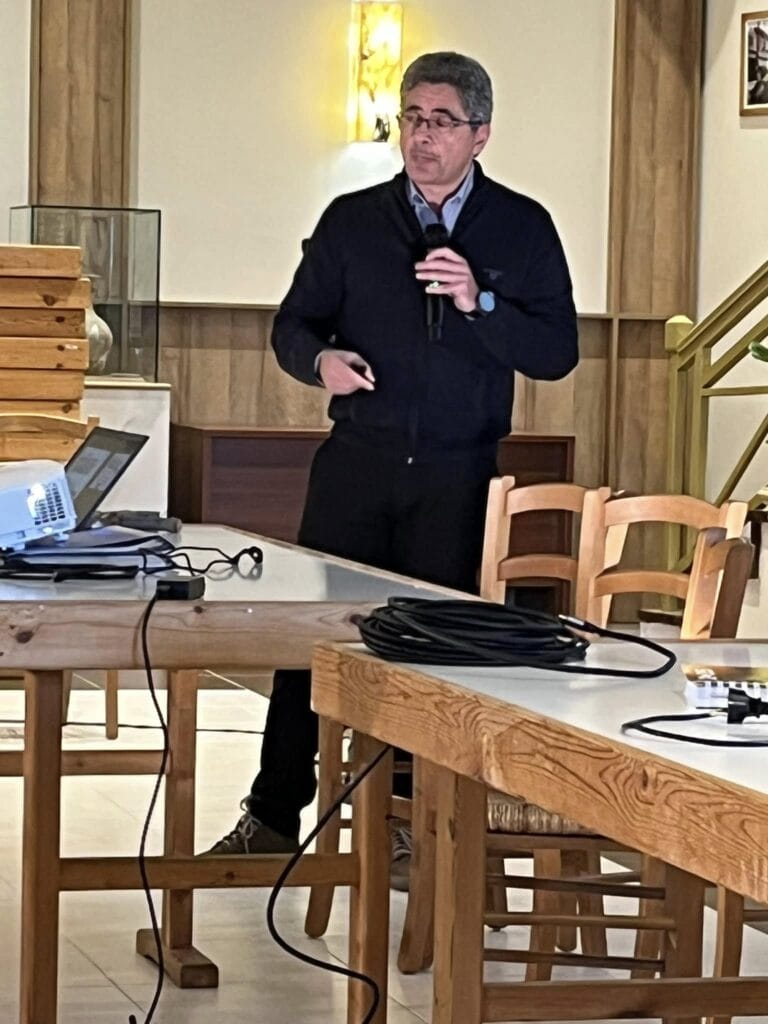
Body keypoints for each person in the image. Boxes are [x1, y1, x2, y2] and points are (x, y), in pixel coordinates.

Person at [207, 51, 579, 882]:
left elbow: (557, 351)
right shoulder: (352, 221)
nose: (423, 136)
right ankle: (272, 814)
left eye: (442, 121)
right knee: (310, 641)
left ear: (481, 134)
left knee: (431, 651)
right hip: (356, 467)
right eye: (412, 118)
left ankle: (409, 822)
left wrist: (480, 302)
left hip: (457, 474)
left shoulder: (521, 227)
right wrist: (320, 363)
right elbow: (292, 328)